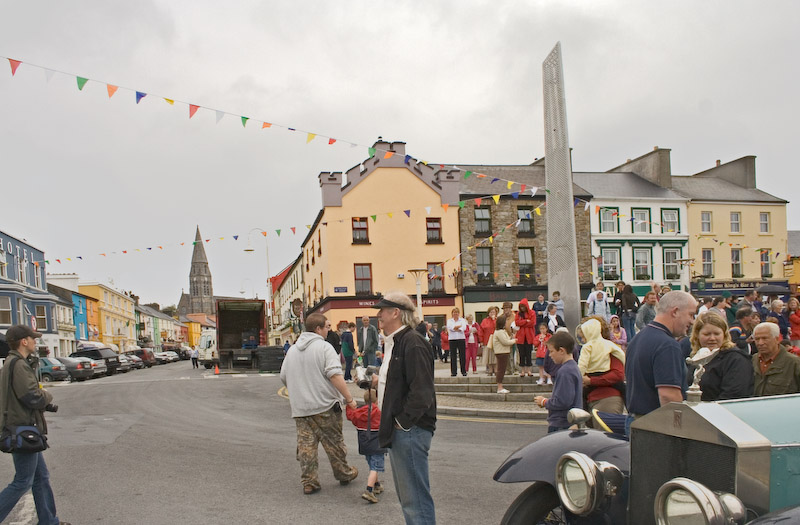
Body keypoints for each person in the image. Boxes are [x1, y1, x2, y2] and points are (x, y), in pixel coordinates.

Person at [373, 292, 436, 525]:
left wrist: (402, 423)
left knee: (415, 499)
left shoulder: (413, 342)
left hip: (410, 431)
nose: (379, 314)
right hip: (402, 430)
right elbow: (401, 381)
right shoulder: (397, 341)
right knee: (408, 499)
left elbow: (422, 392)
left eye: (382, 310)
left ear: (396, 313)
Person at [279, 314, 359, 494]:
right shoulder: (324, 348)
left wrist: (299, 391)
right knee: (334, 443)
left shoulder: (292, 351)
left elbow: (284, 376)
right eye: (326, 327)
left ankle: (309, 482)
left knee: (306, 446)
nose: (328, 330)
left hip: (301, 408)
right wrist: (349, 398)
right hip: (325, 406)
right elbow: (335, 375)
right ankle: (343, 473)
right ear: (317, 329)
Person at [0, 325, 69, 525]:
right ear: (24, 341)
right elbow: (31, 395)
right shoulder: (18, 364)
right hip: (22, 430)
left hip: (24, 429)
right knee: (22, 481)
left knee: (41, 478)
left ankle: (49, 521)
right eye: (33, 338)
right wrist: (46, 395)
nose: (35, 341)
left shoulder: (12, 363)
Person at [625, 291, 697, 423]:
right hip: (655, 424)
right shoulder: (668, 345)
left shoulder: (638, 338)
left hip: (636, 420)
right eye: (691, 315)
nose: (692, 321)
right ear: (675, 311)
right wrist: (679, 427)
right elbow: (669, 396)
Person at [688, 312, 753, 401]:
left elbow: (733, 395)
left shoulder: (736, 359)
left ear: (724, 335)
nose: (712, 338)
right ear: (697, 336)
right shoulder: (697, 358)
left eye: (717, 334)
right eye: (707, 334)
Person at [535, 332, 582, 433]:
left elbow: (563, 401)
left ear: (561, 350)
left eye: (551, 351)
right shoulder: (574, 367)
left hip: (562, 423)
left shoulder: (565, 371)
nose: (550, 355)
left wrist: (544, 402)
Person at [346, 388, 387, 504]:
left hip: (364, 444)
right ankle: (369, 490)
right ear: (377, 400)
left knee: (372, 464)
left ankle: (377, 485)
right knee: (375, 467)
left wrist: (349, 405)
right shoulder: (379, 412)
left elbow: (350, 416)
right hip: (377, 444)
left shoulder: (359, 412)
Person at [577, 318, 626, 415]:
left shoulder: (600, 348)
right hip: (594, 397)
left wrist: (588, 380)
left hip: (606, 400)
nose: (582, 340)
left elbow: (617, 375)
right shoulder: (608, 346)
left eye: (583, 337)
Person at [752, 322, 800, 397]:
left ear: (777, 339)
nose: (760, 343)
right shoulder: (753, 360)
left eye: (765, 338)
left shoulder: (794, 363)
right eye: (757, 339)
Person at [492, 314, 516, 394]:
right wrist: (514, 341)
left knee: (502, 369)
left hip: (504, 352)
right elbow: (505, 342)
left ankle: (500, 386)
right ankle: (499, 387)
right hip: (501, 352)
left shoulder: (502, 331)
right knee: (501, 370)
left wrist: (512, 337)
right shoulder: (499, 332)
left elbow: (507, 339)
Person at [514, 298, 537, 377]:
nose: (522, 309)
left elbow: (532, 323)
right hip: (520, 337)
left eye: (523, 307)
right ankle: (523, 371)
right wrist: (525, 321)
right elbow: (517, 323)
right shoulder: (518, 314)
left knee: (528, 354)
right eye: (521, 307)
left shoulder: (532, 313)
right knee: (522, 354)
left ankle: (529, 370)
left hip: (529, 337)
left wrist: (523, 323)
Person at [446, 307, 467, 377]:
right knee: (453, 356)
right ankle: (453, 372)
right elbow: (450, 328)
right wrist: (457, 327)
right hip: (452, 339)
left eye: (457, 312)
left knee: (462, 355)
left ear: (459, 313)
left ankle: (463, 371)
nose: (456, 314)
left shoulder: (462, 320)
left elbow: (463, 328)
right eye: (454, 312)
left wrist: (456, 328)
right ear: (452, 313)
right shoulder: (449, 321)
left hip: (461, 338)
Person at [501, 302, 519, 375]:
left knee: (515, 354)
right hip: (505, 338)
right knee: (507, 355)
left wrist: (514, 334)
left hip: (514, 337)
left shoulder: (515, 317)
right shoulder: (501, 317)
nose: (506, 310)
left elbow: (517, 327)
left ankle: (516, 369)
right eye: (504, 308)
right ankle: (508, 369)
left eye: (507, 308)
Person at [480, 307, 498, 375]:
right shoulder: (485, 320)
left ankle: (496, 370)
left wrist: (494, 320)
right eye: (491, 312)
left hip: (496, 341)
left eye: (493, 312)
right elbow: (481, 331)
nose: (492, 313)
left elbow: (497, 327)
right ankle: (490, 370)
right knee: (488, 356)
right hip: (487, 341)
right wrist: (481, 340)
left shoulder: (497, 320)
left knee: (495, 356)